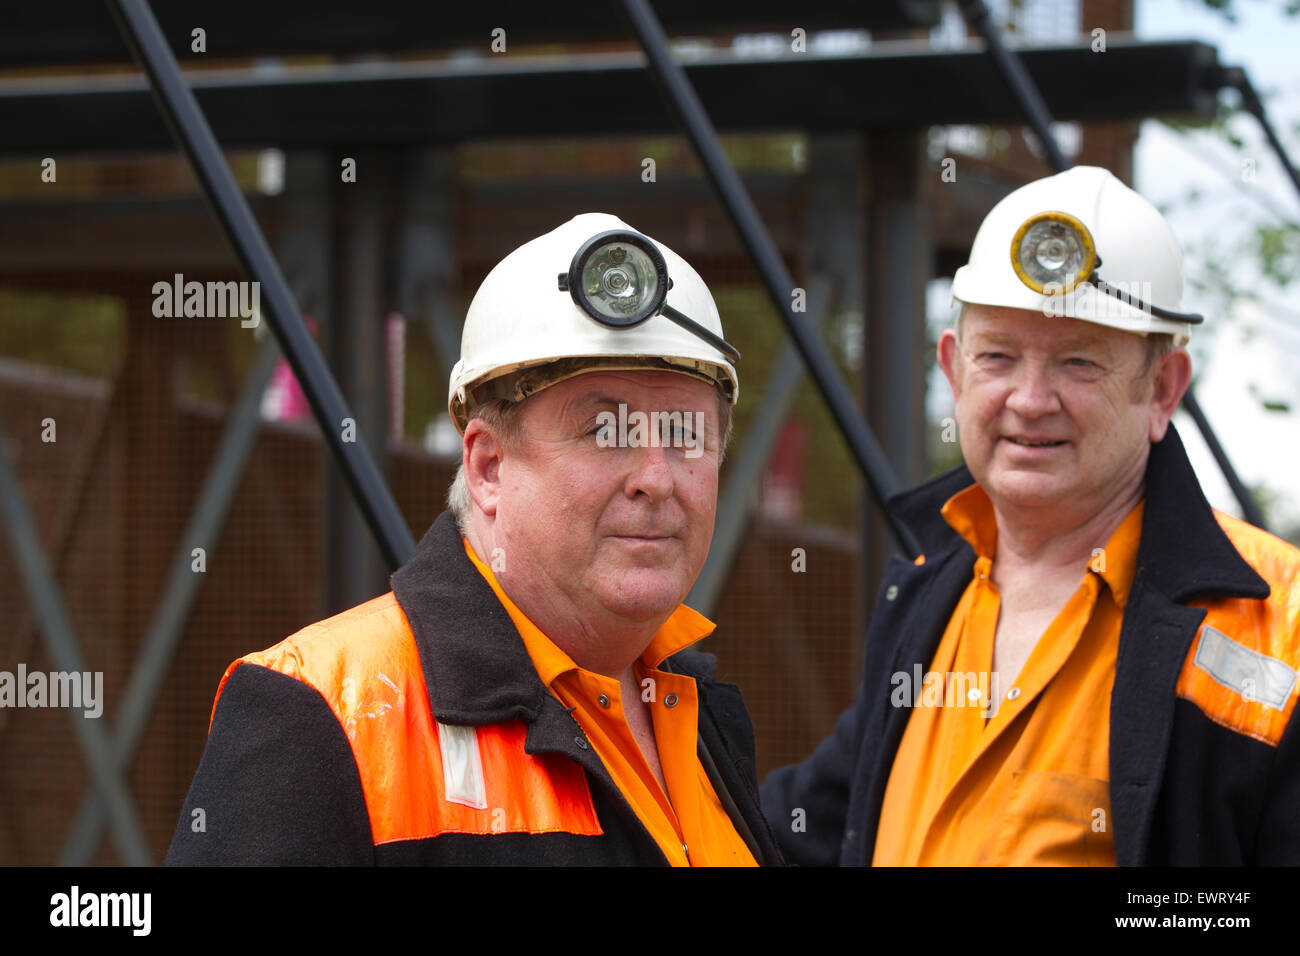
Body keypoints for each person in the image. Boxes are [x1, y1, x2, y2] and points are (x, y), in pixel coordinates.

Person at [166, 212, 782, 866]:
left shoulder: (691, 710)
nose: (656, 478)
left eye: (688, 435)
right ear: (489, 468)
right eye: (606, 431)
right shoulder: (322, 715)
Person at [761, 166, 1300, 866]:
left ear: (1162, 389)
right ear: (954, 370)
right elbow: (799, 830)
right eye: (999, 357)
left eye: (1078, 362)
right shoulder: (928, 590)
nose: (1030, 398)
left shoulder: (1280, 629)